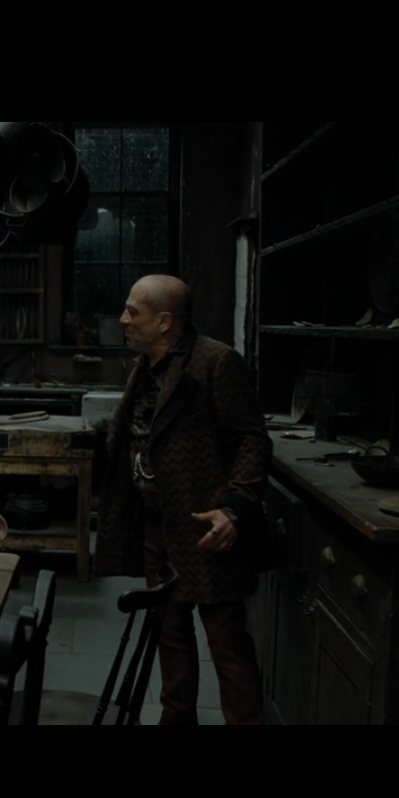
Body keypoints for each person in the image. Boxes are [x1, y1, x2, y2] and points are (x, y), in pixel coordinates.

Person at [94, 274, 272, 725]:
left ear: (165, 321)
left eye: (133, 312)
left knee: (226, 640)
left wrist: (235, 508)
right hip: (158, 524)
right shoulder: (145, 366)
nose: (123, 319)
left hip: (204, 528)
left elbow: (252, 440)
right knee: (168, 632)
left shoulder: (215, 362)